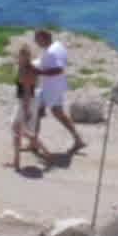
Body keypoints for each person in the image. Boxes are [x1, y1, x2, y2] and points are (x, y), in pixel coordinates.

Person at [31, 27, 86, 160]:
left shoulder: (51, 52)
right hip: (54, 86)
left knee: (51, 113)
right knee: (43, 112)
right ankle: (34, 142)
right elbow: (52, 64)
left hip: (51, 88)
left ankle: (78, 140)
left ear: (44, 38)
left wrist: (39, 72)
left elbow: (58, 69)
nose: (35, 42)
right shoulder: (57, 46)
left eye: (37, 39)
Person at [10, 33, 42, 168]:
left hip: (25, 101)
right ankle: (36, 146)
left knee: (16, 129)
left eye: (22, 55)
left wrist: (26, 109)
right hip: (29, 101)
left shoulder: (26, 71)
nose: (20, 58)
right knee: (22, 130)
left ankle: (17, 161)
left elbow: (27, 92)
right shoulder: (28, 68)